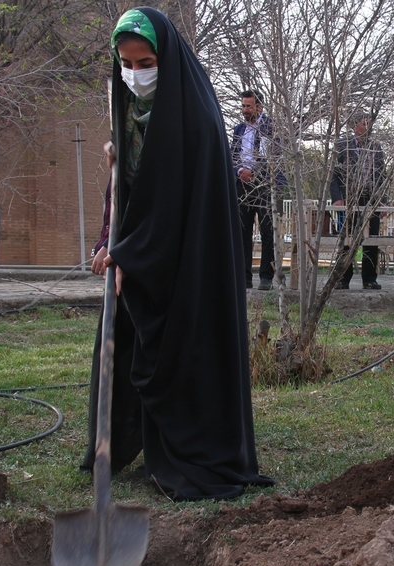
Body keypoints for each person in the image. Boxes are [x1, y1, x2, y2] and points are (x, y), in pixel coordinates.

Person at [79, 7, 274, 501]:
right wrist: (113, 238)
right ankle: (121, 444)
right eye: (126, 64)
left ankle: (188, 451)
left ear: (166, 58)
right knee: (127, 340)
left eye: (146, 63)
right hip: (141, 251)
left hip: (188, 261)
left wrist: (131, 254)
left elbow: (174, 201)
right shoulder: (129, 110)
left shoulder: (198, 118)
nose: (135, 73)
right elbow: (130, 189)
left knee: (183, 352)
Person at [231, 90, 286, 290]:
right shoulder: (239, 129)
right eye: (243, 106)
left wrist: (255, 173)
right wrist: (240, 172)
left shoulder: (271, 128)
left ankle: (266, 277)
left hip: (265, 185)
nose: (245, 110)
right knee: (242, 232)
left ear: (260, 107)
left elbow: (275, 157)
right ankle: (244, 277)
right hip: (242, 185)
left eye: (249, 106)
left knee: (267, 232)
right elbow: (233, 155)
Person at [330, 111, 387, 290]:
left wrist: (383, 201)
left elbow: (382, 175)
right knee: (347, 240)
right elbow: (333, 175)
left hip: (371, 199)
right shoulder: (342, 145)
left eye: (369, 124)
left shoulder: (375, 147)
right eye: (364, 124)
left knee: (371, 240)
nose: (368, 127)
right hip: (349, 199)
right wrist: (337, 199)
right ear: (355, 126)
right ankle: (342, 278)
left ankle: (369, 279)